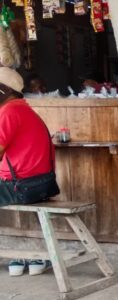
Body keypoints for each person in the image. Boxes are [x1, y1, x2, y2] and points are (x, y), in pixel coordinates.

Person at [0, 67, 58, 276]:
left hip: (22, 186)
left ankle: (24, 252)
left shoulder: (9, 112)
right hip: (40, 183)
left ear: (5, 90)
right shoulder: (23, 109)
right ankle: (29, 254)